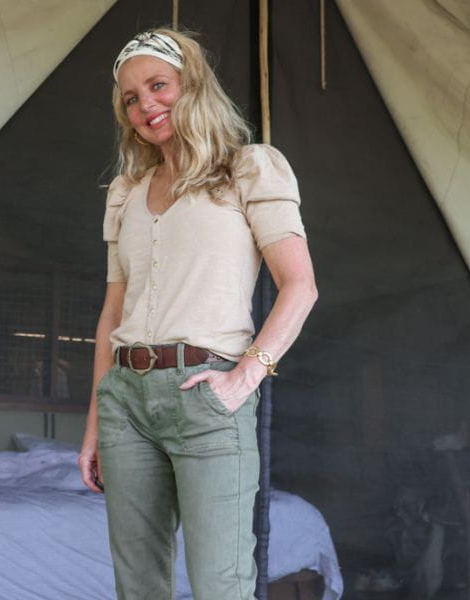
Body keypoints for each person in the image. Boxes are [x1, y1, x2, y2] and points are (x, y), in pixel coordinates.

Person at [77, 27, 317, 600]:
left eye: (158, 86)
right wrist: (93, 426)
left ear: (193, 86)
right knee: (139, 587)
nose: (145, 106)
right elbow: (113, 313)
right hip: (125, 402)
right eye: (131, 98)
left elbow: (300, 286)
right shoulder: (126, 192)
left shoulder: (251, 169)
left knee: (220, 586)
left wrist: (246, 377)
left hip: (205, 395)